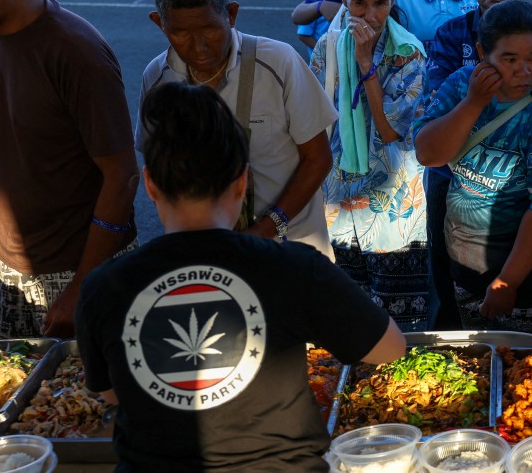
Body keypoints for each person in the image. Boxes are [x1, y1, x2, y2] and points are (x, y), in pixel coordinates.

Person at [75, 81, 407, 472]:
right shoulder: (295, 268)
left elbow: (114, 394)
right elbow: (390, 348)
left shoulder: (103, 286)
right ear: (242, 182)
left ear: (150, 184)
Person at [0, 0, 137, 339]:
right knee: (15, 394)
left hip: (77, 269)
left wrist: (84, 283)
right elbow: (10, 134)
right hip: (7, 264)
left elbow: (121, 176)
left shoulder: (76, 51)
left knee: (85, 402)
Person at [414, 0, 532, 342]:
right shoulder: (462, 84)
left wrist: (508, 282)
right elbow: (428, 154)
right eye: (510, 59)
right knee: (481, 360)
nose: (524, 71)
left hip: (528, 272)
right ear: (482, 52)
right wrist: (474, 102)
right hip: (465, 262)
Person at [140, 0, 337, 260]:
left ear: (231, 15)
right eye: (180, 34)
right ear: (160, 24)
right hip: (207, 257)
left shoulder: (278, 62)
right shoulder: (157, 78)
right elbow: (158, 167)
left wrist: (266, 229)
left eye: (210, 30)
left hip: (291, 249)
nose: (199, 47)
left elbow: (318, 158)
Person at [307, 0, 430, 332]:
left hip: (393, 205)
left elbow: (390, 130)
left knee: (399, 320)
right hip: (338, 196)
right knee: (345, 314)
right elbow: (315, 119)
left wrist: (366, 65)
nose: (371, 14)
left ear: (394, 0)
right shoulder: (327, 47)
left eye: (381, 3)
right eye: (360, 2)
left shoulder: (408, 53)